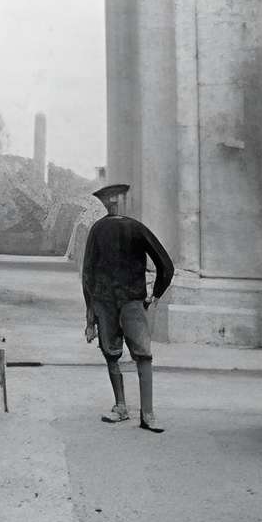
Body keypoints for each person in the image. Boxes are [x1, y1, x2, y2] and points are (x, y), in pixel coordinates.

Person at [80, 180, 174, 433]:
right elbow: (167, 266)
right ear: (119, 201)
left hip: (103, 302)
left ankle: (121, 407)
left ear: (107, 203)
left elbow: (87, 274)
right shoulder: (136, 228)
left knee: (111, 353)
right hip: (133, 302)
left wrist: (90, 315)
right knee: (143, 355)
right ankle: (148, 415)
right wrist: (155, 295)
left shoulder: (96, 230)